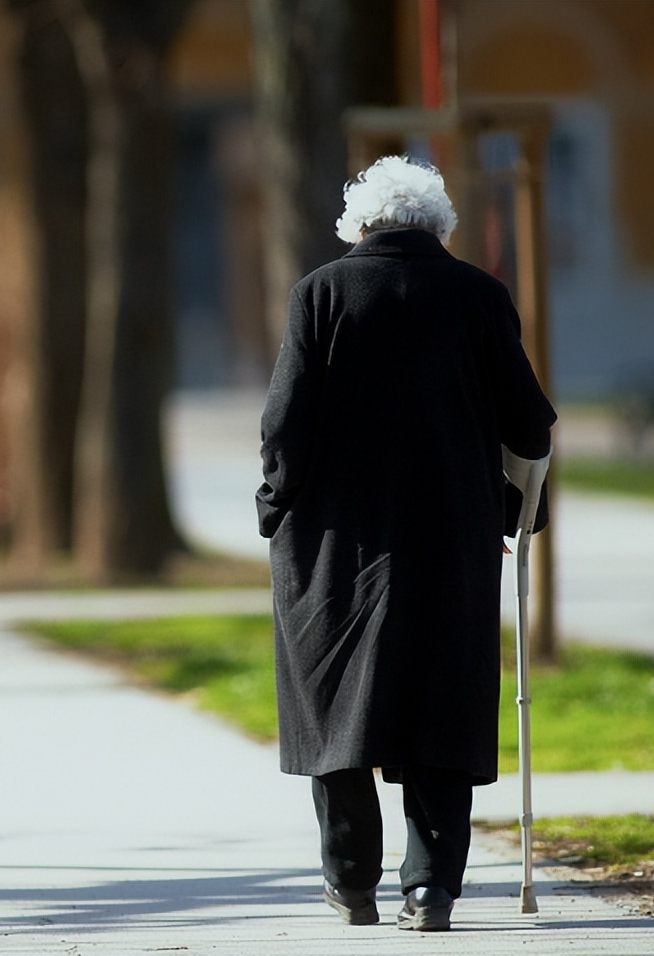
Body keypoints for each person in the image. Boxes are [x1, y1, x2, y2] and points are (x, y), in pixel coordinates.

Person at [255, 155, 557, 931]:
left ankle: (351, 881)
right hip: (448, 536)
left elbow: (284, 425)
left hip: (334, 543)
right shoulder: (480, 296)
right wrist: (514, 511)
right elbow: (531, 425)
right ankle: (431, 889)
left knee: (334, 706)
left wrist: (274, 505)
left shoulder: (320, 292)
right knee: (440, 705)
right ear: (439, 227)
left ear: (359, 225)